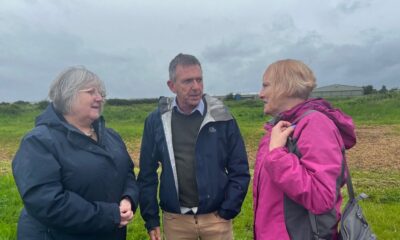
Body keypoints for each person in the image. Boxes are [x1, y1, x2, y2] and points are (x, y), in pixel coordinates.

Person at [12, 66, 139, 240]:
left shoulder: (112, 137)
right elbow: (47, 202)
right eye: (91, 92)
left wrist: (128, 199)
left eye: (101, 93)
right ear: (67, 95)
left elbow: (128, 174)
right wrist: (109, 215)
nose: (99, 98)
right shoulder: (38, 142)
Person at [138, 53, 250, 240]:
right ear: (171, 86)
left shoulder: (222, 117)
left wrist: (228, 209)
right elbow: (147, 174)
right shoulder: (156, 121)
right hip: (176, 221)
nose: (196, 87)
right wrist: (151, 219)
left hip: (216, 219)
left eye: (199, 80)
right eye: (187, 81)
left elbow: (239, 168)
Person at [253, 59, 357, 240]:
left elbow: (322, 197)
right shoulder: (280, 127)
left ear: (286, 86)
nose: (260, 94)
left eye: (265, 85)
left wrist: (277, 156)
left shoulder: (315, 125)